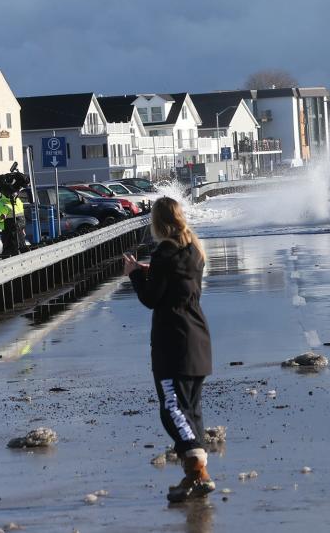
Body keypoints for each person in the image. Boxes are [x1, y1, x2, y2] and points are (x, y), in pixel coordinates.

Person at [123, 196, 215, 503]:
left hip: (172, 343)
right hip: (198, 339)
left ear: (158, 223)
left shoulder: (164, 251)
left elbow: (151, 298)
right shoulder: (194, 249)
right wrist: (152, 268)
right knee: (192, 412)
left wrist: (135, 274)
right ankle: (195, 477)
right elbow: (177, 282)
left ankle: (196, 468)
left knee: (172, 409)